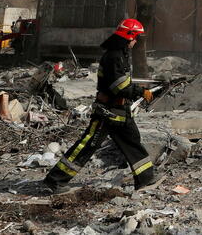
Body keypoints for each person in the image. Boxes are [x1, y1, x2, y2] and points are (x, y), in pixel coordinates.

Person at [42, 19, 156, 194]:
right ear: (129, 36)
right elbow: (119, 87)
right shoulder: (114, 56)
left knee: (132, 140)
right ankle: (55, 181)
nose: (136, 42)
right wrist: (140, 92)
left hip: (119, 111)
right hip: (108, 112)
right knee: (87, 145)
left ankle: (146, 179)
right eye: (136, 38)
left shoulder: (121, 54)